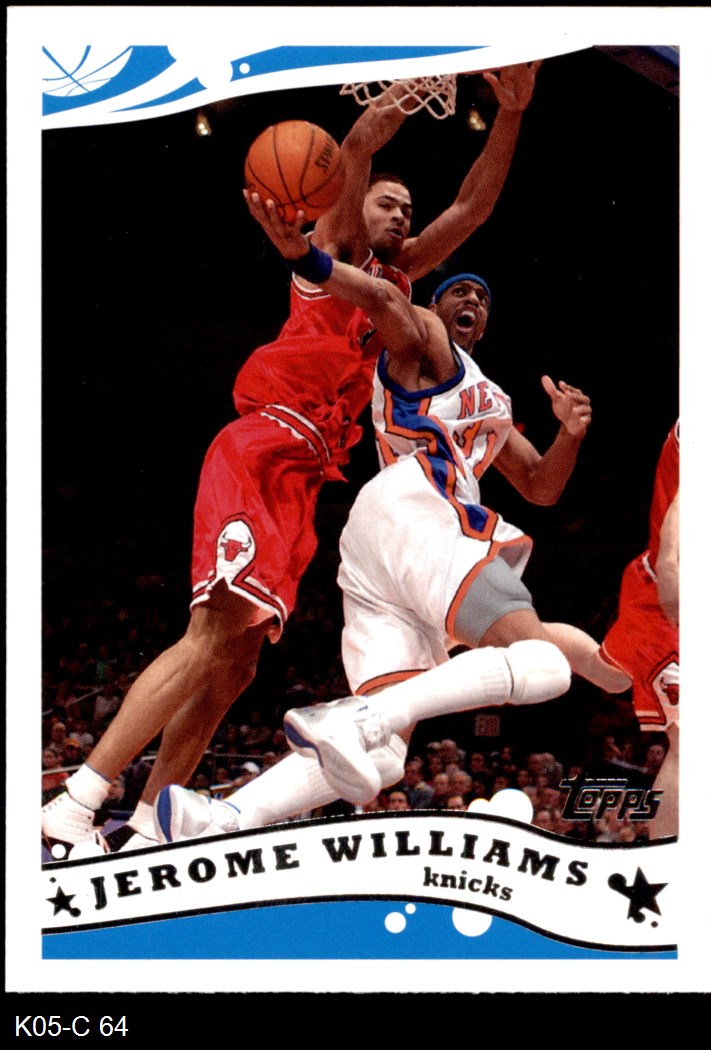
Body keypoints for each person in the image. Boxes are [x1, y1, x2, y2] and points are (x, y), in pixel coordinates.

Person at [43, 64, 541, 856]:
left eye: (406, 209)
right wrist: (413, 82)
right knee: (210, 637)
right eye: (387, 201)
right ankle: (75, 802)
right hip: (266, 441)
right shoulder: (332, 255)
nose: (400, 211)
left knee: (236, 665)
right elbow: (358, 143)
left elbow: (472, 208)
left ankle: (145, 824)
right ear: (352, 204)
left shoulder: (396, 283)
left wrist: (510, 112)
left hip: (307, 475)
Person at [154, 202, 629, 840]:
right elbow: (384, 294)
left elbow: (541, 486)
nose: (472, 300)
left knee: (382, 758)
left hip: (383, 543)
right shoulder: (424, 339)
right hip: (420, 504)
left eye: (482, 297)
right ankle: (356, 719)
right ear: (435, 304)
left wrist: (569, 434)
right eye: (460, 290)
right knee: (538, 662)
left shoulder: (490, 397)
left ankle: (219, 816)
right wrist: (307, 259)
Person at [599, 421, 680, 838]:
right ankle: (671, 863)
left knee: (607, 672)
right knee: (690, 742)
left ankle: (516, 635)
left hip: (664, 594)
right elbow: (672, 555)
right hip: (669, 600)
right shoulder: (701, 430)